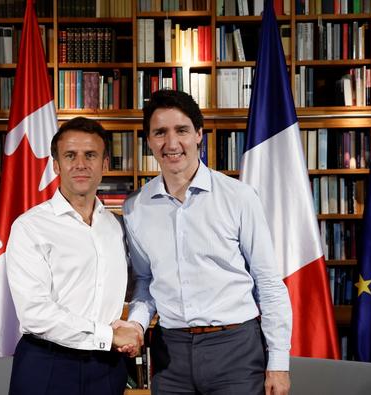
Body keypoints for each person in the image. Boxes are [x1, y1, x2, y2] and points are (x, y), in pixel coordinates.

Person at [119, 90, 293, 395]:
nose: (171, 144)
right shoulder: (136, 208)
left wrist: (278, 363)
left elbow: (267, 283)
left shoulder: (239, 197)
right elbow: (146, 282)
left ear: (199, 135)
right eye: (160, 132)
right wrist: (135, 324)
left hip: (235, 349)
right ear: (148, 141)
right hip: (169, 354)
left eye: (182, 130)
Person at [6, 116, 143, 395]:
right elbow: (35, 313)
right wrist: (110, 335)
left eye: (90, 155)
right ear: (56, 165)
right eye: (70, 155)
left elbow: (135, 284)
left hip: (107, 366)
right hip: (48, 364)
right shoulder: (29, 227)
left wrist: (133, 328)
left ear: (105, 164)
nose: (81, 164)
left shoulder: (116, 226)